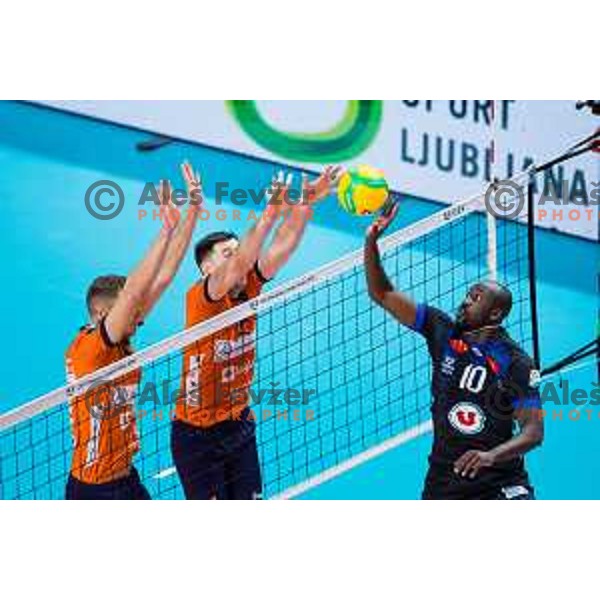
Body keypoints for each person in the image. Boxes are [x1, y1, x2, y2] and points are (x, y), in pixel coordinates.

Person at [172, 166, 342, 499]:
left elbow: (284, 245)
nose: (240, 259)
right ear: (207, 269)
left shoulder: (249, 284)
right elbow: (242, 261)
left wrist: (307, 201)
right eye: (228, 253)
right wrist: (269, 213)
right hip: (197, 436)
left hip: (239, 426)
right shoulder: (202, 298)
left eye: (239, 250)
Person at [364, 200, 544, 500]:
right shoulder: (441, 330)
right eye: (467, 295)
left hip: (499, 481)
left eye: (475, 298)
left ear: (495, 314)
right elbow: (382, 293)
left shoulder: (515, 362)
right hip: (445, 479)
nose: (465, 302)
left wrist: (491, 456)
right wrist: (371, 240)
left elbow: (532, 432)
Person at [65, 166, 202, 499]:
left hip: (125, 478)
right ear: (100, 314)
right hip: (94, 491)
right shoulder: (91, 351)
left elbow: (164, 275)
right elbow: (132, 293)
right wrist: (163, 232)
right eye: (127, 312)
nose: (136, 317)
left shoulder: (120, 335)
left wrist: (192, 210)